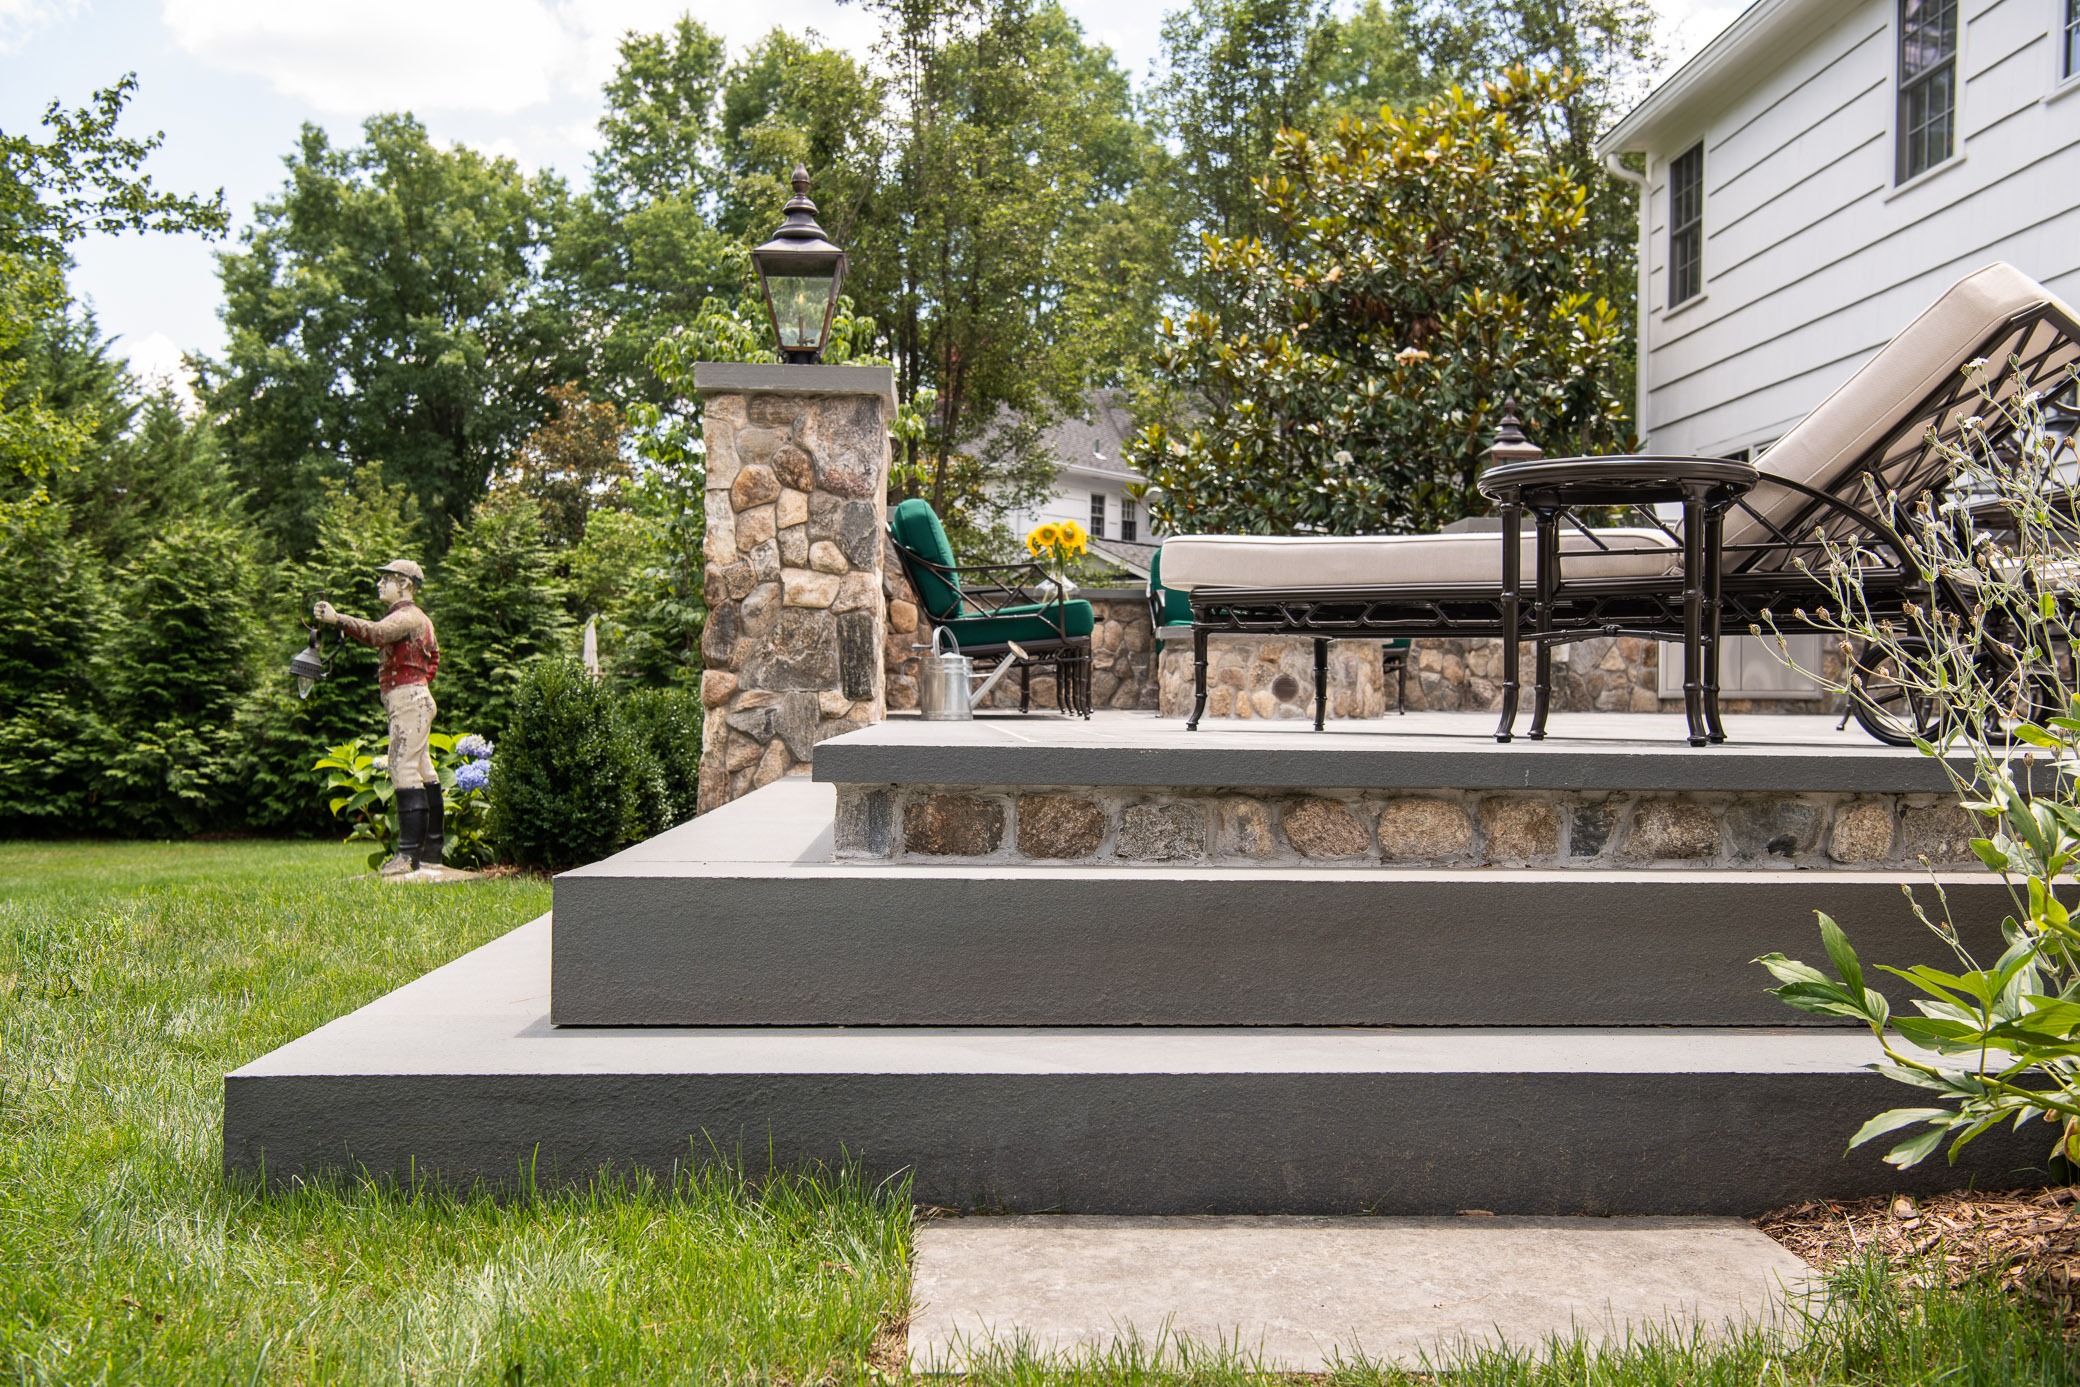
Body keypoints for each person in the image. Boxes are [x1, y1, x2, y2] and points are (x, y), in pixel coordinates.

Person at [314, 560, 443, 876]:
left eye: (387, 579)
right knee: (423, 770)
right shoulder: (418, 619)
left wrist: (337, 619)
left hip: (409, 702)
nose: (379, 584)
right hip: (415, 698)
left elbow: (375, 634)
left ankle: (408, 856)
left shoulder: (407, 617)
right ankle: (432, 850)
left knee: (401, 766)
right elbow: (434, 660)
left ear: (405, 584)